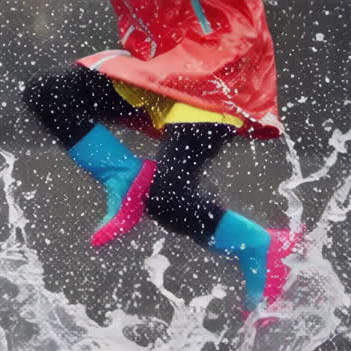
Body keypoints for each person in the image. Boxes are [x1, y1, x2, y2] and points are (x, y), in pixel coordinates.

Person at [22, 0, 301, 316]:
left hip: (218, 68)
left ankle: (259, 245)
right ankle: (123, 173)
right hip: (161, 62)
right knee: (52, 95)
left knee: (167, 197)